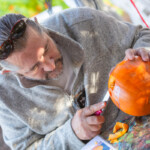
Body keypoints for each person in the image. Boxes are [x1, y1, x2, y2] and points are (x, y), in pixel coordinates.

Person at [0, 7, 150, 150]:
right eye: (34, 67)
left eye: (46, 48)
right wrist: (72, 133)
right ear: (7, 71)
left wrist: (144, 52)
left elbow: (142, 35)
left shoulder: (83, 22)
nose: (50, 65)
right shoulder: (5, 96)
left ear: (40, 26)